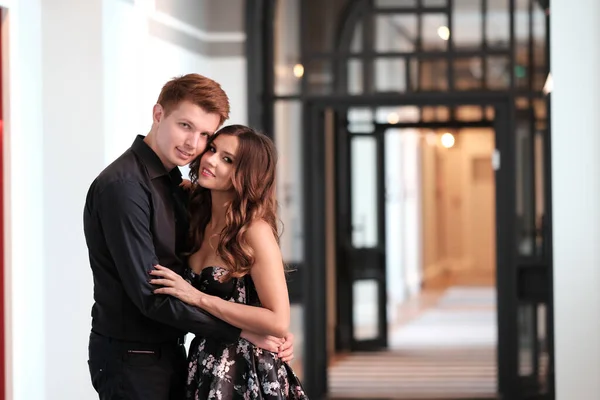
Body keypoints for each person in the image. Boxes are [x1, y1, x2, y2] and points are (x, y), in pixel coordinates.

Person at [84, 74, 294, 400]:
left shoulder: (182, 192)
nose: (196, 147)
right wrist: (246, 332)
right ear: (158, 114)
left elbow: (273, 315)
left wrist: (265, 330)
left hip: (183, 355)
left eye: (205, 135)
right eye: (185, 126)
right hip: (134, 358)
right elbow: (151, 295)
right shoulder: (125, 186)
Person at [148, 125, 308, 399]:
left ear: (246, 175)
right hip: (202, 364)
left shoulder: (254, 230)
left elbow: (278, 320)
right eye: (212, 149)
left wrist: (196, 297)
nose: (210, 160)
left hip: (248, 372)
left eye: (227, 160)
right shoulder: (195, 211)